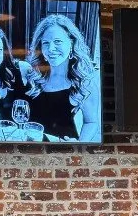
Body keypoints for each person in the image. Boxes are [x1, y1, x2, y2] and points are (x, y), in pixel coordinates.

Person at [24, 13, 101, 142]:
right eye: (46, 43)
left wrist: (80, 144)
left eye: (57, 42)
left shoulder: (84, 82)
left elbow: (91, 122)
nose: (51, 49)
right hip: (31, 147)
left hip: (63, 149)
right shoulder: (32, 75)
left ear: (71, 43)